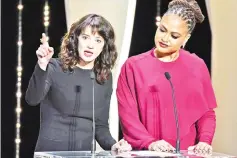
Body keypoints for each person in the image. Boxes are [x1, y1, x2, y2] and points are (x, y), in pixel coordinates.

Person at [116, 0, 217, 154]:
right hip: (146, 153)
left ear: (186, 38)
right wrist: (150, 143)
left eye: (174, 36)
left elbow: (206, 113)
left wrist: (204, 141)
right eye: (162, 30)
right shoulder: (133, 66)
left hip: (185, 153)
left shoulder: (197, 66)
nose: (165, 38)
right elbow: (128, 117)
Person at [25, 14, 131, 152]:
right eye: (85, 37)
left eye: (98, 40)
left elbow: (100, 126)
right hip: (51, 153)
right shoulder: (54, 67)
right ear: (76, 39)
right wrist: (42, 66)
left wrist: (113, 145)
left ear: (104, 47)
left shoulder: (103, 77)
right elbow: (32, 99)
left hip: (84, 153)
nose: (91, 45)